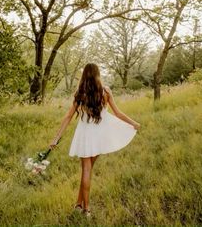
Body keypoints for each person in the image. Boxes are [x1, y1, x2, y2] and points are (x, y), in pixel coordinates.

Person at [49, 63, 141, 217]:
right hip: (100, 135)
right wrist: (133, 123)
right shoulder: (105, 91)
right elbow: (118, 113)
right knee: (88, 170)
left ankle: (86, 209)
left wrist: (56, 138)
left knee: (86, 170)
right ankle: (79, 205)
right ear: (98, 74)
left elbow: (68, 117)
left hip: (85, 135)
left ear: (84, 75)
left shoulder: (80, 93)